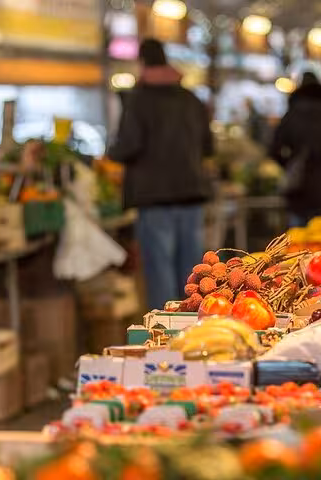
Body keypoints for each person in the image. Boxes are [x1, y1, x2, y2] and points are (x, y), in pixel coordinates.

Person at [108, 38, 214, 310]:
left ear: (142, 63)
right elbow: (208, 145)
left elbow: (129, 145)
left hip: (154, 199)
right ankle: (197, 335)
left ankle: (166, 342)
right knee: (194, 279)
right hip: (191, 194)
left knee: (161, 276)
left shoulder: (138, 99)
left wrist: (112, 154)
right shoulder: (191, 99)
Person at [270, 72, 321, 225]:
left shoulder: (292, 114)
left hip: (299, 186)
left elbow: (273, 149)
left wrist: (290, 164)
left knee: (297, 237)